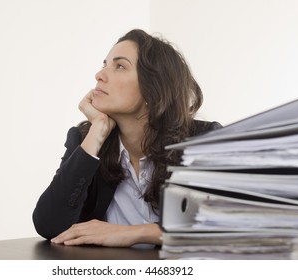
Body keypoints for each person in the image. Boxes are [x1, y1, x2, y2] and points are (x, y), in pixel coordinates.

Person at [32, 29, 221, 248]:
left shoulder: (203, 139)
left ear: (154, 88)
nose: (100, 75)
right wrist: (98, 130)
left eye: (119, 66)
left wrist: (134, 233)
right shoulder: (86, 140)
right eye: (104, 64)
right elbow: (48, 225)